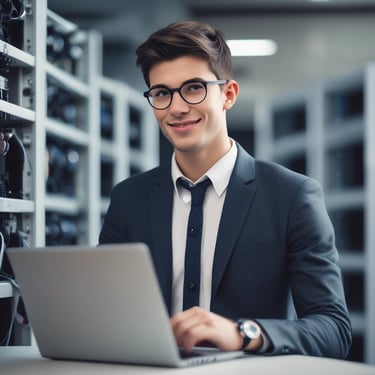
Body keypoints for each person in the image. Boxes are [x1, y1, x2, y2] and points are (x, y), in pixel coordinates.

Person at [99, 21, 351, 358]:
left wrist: (242, 332)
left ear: (228, 94)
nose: (176, 107)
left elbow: (334, 329)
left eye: (193, 88)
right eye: (161, 93)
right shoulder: (128, 198)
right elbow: (103, 313)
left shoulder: (292, 196)